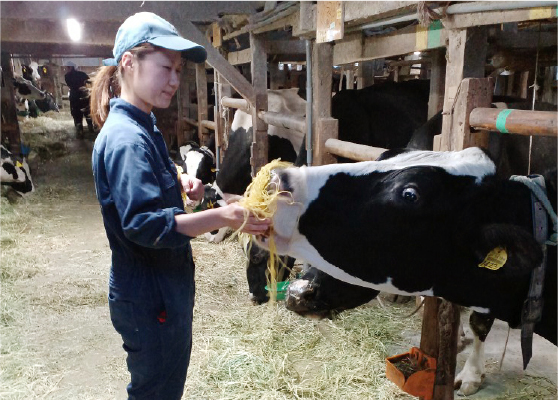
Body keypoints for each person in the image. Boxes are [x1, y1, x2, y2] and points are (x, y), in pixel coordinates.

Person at [90, 12, 270, 400]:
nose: (175, 80)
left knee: (165, 382)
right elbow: (147, 225)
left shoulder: (143, 123)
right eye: (165, 68)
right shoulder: (126, 139)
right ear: (128, 63)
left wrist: (176, 177)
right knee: (155, 391)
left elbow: (150, 169)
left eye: (179, 70)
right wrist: (226, 215)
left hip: (158, 290)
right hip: (149, 294)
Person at [64, 61, 94, 137]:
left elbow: (69, 85)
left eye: (67, 67)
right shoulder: (82, 74)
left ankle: (80, 131)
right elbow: (89, 82)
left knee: (77, 113)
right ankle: (91, 128)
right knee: (87, 111)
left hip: (74, 96)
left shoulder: (67, 76)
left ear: (70, 67)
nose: (66, 69)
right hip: (84, 94)